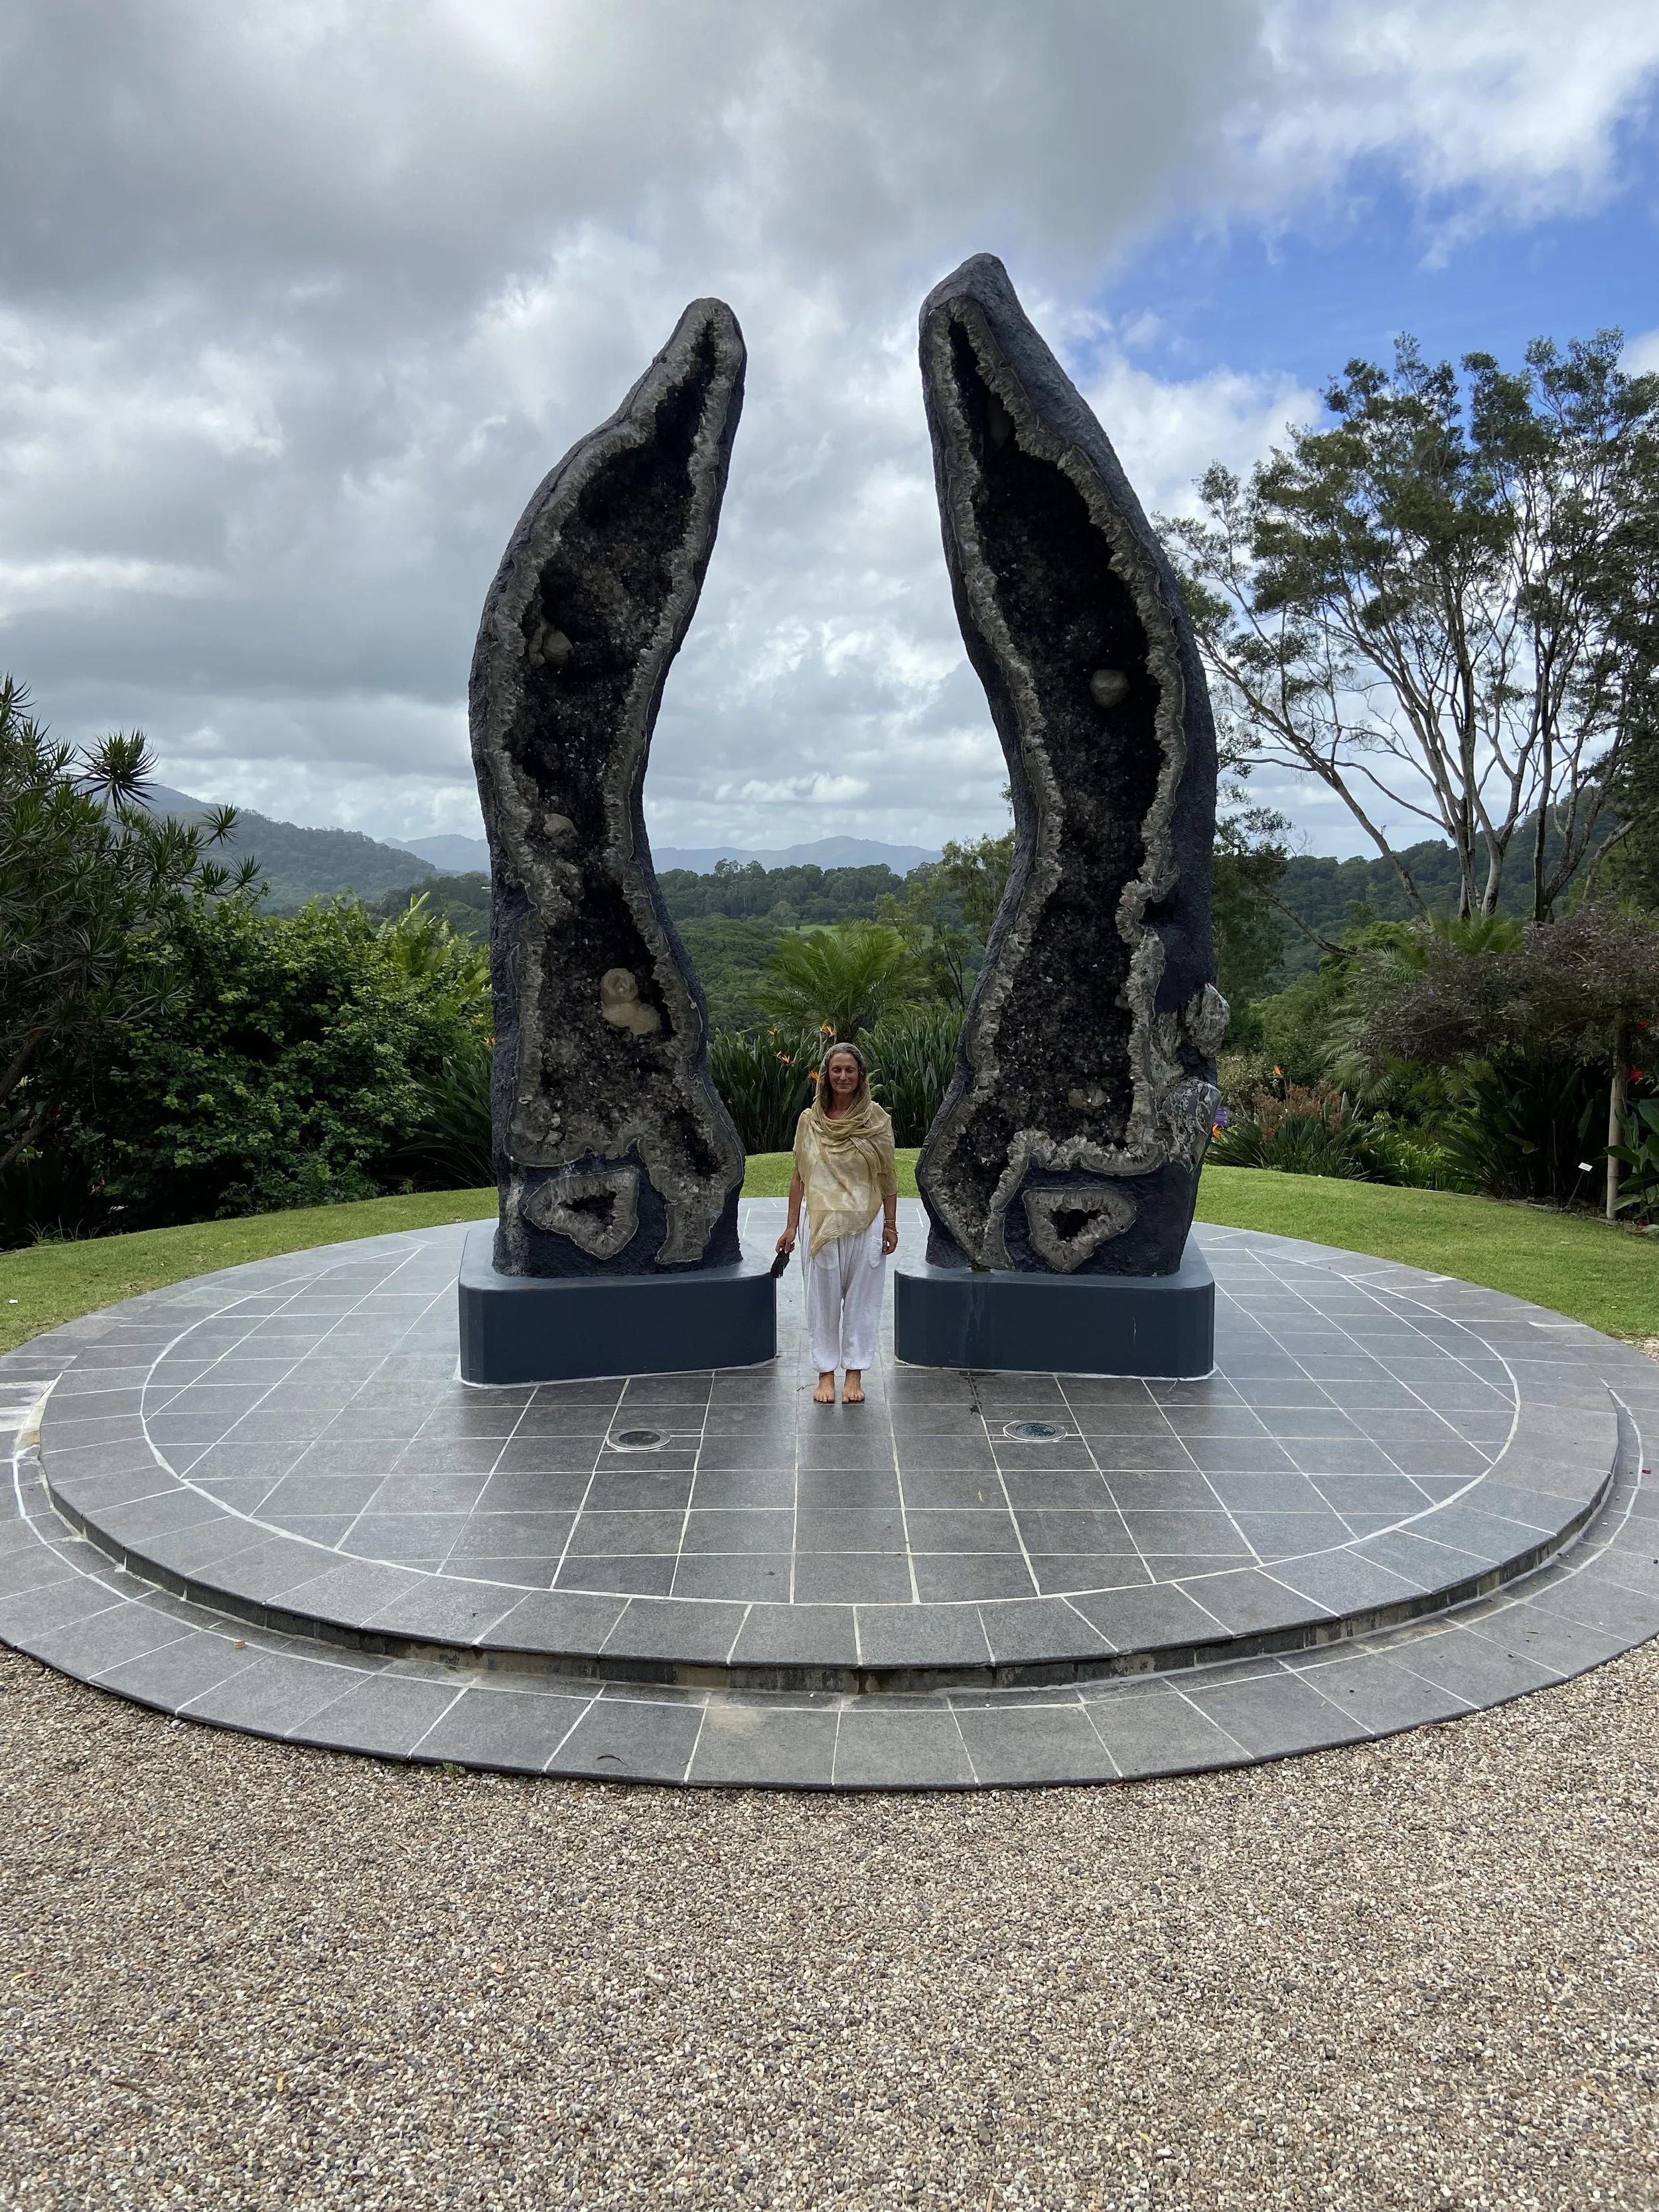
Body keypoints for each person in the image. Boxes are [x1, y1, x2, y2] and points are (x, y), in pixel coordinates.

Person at [775, 1040, 899, 1404]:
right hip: (820, 1224)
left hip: (867, 1222)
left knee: (863, 1300)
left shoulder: (877, 1120)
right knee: (822, 1301)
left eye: (850, 1070)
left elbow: (887, 1177)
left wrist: (891, 1225)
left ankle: (855, 1374)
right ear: (826, 1077)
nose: (843, 1076)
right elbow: (799, 1176)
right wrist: (789, 1226)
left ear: (860, 1076)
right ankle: (826, 1374)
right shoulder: (808, 1122)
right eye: (836, 1070)